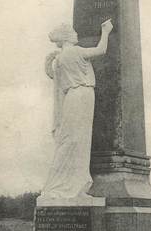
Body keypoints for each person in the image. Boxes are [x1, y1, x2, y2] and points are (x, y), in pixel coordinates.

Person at [40, 19, 113, 201]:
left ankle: (65, 183)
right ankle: (73, 185)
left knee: (72, 140)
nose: (77, 34)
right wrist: (105, 31)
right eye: (73, 33)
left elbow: (57, 84)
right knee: (78, 141)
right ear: (66, 37)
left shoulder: (60, 59)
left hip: (71, 99)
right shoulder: (76, 51)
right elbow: (101, 50)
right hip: (83, 95)